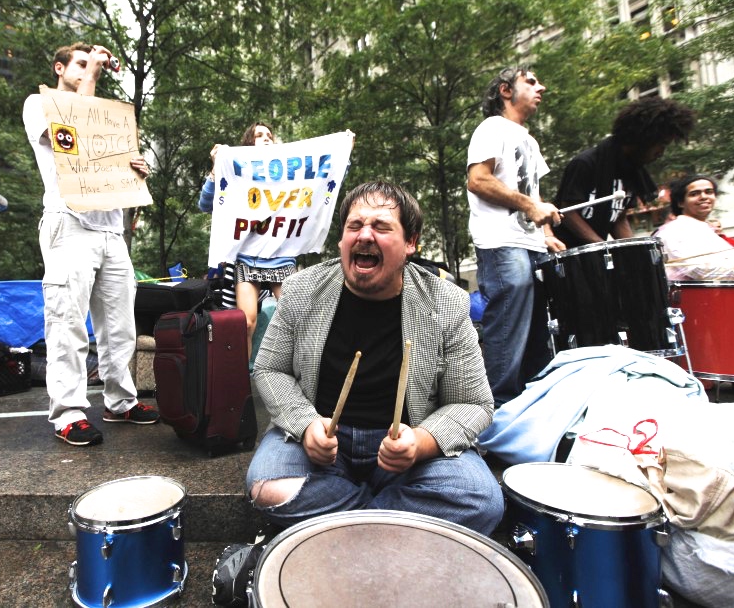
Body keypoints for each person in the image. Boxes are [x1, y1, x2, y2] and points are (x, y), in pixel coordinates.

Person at [245, 180, 503, 534]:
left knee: (480, 499)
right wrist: (306, 426)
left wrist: (421, 443)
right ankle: (393, 517)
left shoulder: (447, 303)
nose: (364, 235)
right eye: (355, 226)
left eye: (381, 226)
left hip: (407, 448)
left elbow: (474, 404)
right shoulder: (301, 290)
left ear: (410, 243)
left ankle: (340, 523)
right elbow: (270, 369)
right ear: (341, 240)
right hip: (321, 444)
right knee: (267, 487)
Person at [23, 42, 159, 446]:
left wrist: (136, 169)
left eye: (91, 63)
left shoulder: (107, 118)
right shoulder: (39, 104)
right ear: (59, 68)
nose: (87, 69)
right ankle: (68, 413)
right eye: (79, 64)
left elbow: (112, 163)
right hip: (70, 222)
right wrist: (95, 76)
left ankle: (120, 401)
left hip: (110, 229)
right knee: (67, 321)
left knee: (120, 326)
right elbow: (70, 134)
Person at [466, 67, 563, 406]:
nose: (542, 87)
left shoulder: (530, 139)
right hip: (501, 241)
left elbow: (533, 193)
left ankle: (533, 410)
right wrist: (529, 207)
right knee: (508, 322)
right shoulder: (492, 128)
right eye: (532, 82)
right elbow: (478, 180)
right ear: (506, 91)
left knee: (537, 329)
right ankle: (493, 411)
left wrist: (546, 231)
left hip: (530, 243)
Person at [198, 122, 296, 357]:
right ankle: (240, 387)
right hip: (247, 257)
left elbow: (320, 183)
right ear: (248, 144)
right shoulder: (236, 174)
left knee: (295, 319)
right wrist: (216, 167)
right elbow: (205, 204)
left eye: (270, 135)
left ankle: (297, 379)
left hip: (278, 255)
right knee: (246, 323)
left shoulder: (289, 174)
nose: (266, 138)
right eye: (259, 135)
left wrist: (343, 153)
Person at [552, 96, 696, 248]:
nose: (661, 152)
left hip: (597, 254)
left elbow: (618, 218)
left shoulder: (631, 170)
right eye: (661, 144)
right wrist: (603, 246)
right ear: (643, 138)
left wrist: (634, 250)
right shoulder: (585, 163)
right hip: (565, 252)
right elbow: (567, 213)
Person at [654, 175, 734, 280]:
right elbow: (707, 273)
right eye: (694, 194)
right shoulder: (675, 231)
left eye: (709, 192)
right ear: (680, 202)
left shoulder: (703, 229)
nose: (704, 197)